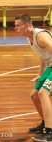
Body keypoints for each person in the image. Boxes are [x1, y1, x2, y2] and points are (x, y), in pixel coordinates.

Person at [15, 14, 52, 142]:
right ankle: (45, 124)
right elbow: (43, 56)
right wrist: (40, 74)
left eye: (17, 26)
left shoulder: (40, 36)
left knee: (43, 93)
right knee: (34, 95)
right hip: (50, 67)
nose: (15, 28)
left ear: (26, 26)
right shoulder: (29, 37)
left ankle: (50, 131)